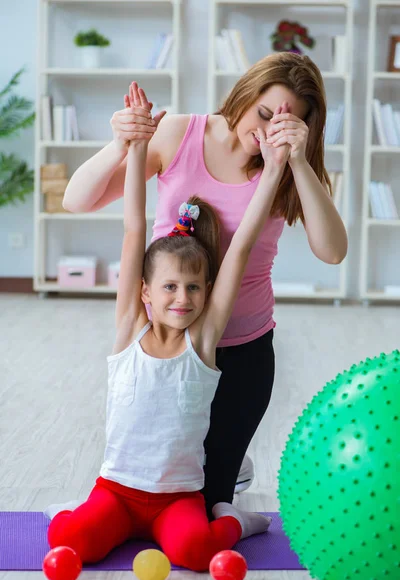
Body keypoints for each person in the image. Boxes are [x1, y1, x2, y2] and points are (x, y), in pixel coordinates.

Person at [62, 53, 348, 519]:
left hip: (240, 348)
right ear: (245, 93)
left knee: (206, 508)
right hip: (166, 344)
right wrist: (122, 142)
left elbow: (333, 251)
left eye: (284, 124)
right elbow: (77, 200)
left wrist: (296, 159)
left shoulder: (286, 170)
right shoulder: (180, 133)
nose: (266, 132)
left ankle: (228, 467)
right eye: (263, 114)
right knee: (148, 492)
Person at [45, 80, 291, 571]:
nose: (184, 299)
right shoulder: (128, 330)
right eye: (171, 289)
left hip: (177, 497)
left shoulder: (201, 341)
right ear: (144, 292)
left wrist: (275, 172)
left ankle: (238, 519)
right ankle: (80, 514)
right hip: (117, 491)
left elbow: (239, 247)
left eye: (196, 289)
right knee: (66, 534)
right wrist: (136, 148)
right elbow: (135, 225)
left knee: (200, 552)